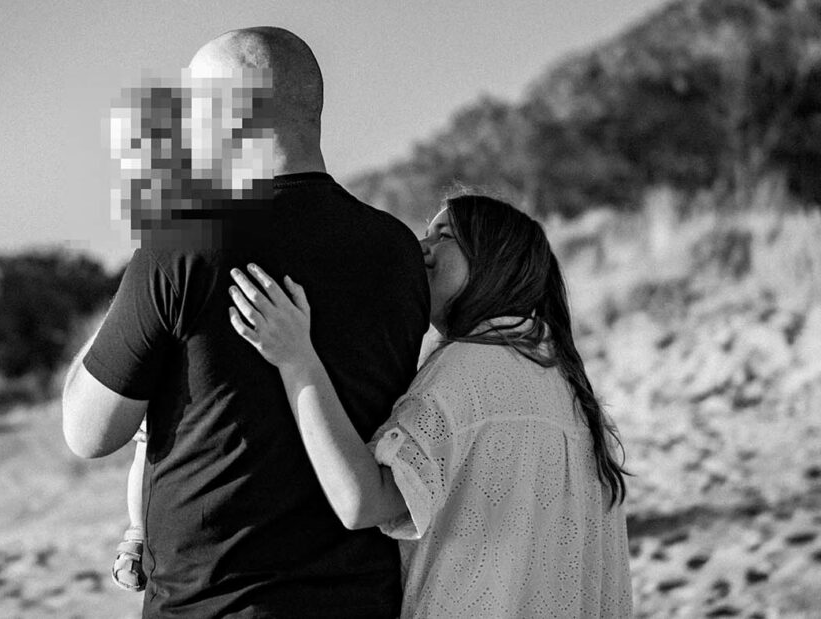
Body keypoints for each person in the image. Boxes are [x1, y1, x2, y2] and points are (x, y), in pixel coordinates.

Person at [61, 27, 430, 617]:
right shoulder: (400, 252)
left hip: (212, 603)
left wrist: (132, 287)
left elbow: (87, 432)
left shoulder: (182, 247)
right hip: (359, 598)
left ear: (234, 114)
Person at [227, 193, 634, 618]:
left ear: (493, 259)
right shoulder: (570, 388)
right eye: (425, 234)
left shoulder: (465, 369)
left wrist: (297, 359)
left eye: (445, 236)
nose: (421, 247)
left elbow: (362, 501)